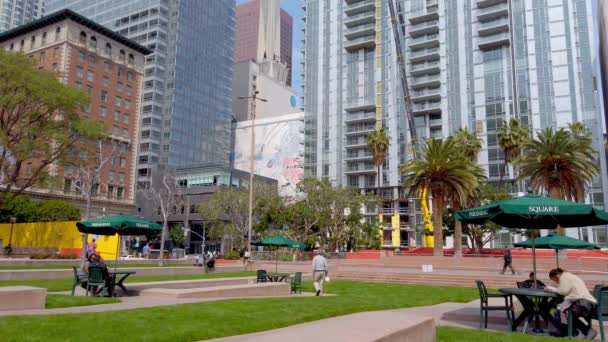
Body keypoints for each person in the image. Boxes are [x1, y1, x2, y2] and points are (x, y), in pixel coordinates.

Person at [544, 268, 597, 339]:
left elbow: (563, 291)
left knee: (559, 312)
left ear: (557, 276)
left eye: (555, 280)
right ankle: (581, 331)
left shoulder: (564, 277)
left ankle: (571, 332)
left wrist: (551, 288)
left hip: (584, 304)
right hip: (589, 303)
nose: (556, 282)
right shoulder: (570, 276)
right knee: (562, 312)